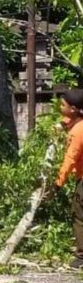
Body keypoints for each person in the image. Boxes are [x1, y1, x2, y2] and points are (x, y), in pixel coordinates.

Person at [54, 88, 83, 269]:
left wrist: (58, 182)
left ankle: (82, 256)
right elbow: (71, 120)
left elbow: (70, 159)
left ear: (73, 108)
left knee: (79, 214)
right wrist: (62, 124)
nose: (60, 106)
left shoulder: (78, 131)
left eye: (63, 105)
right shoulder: (78, 121)